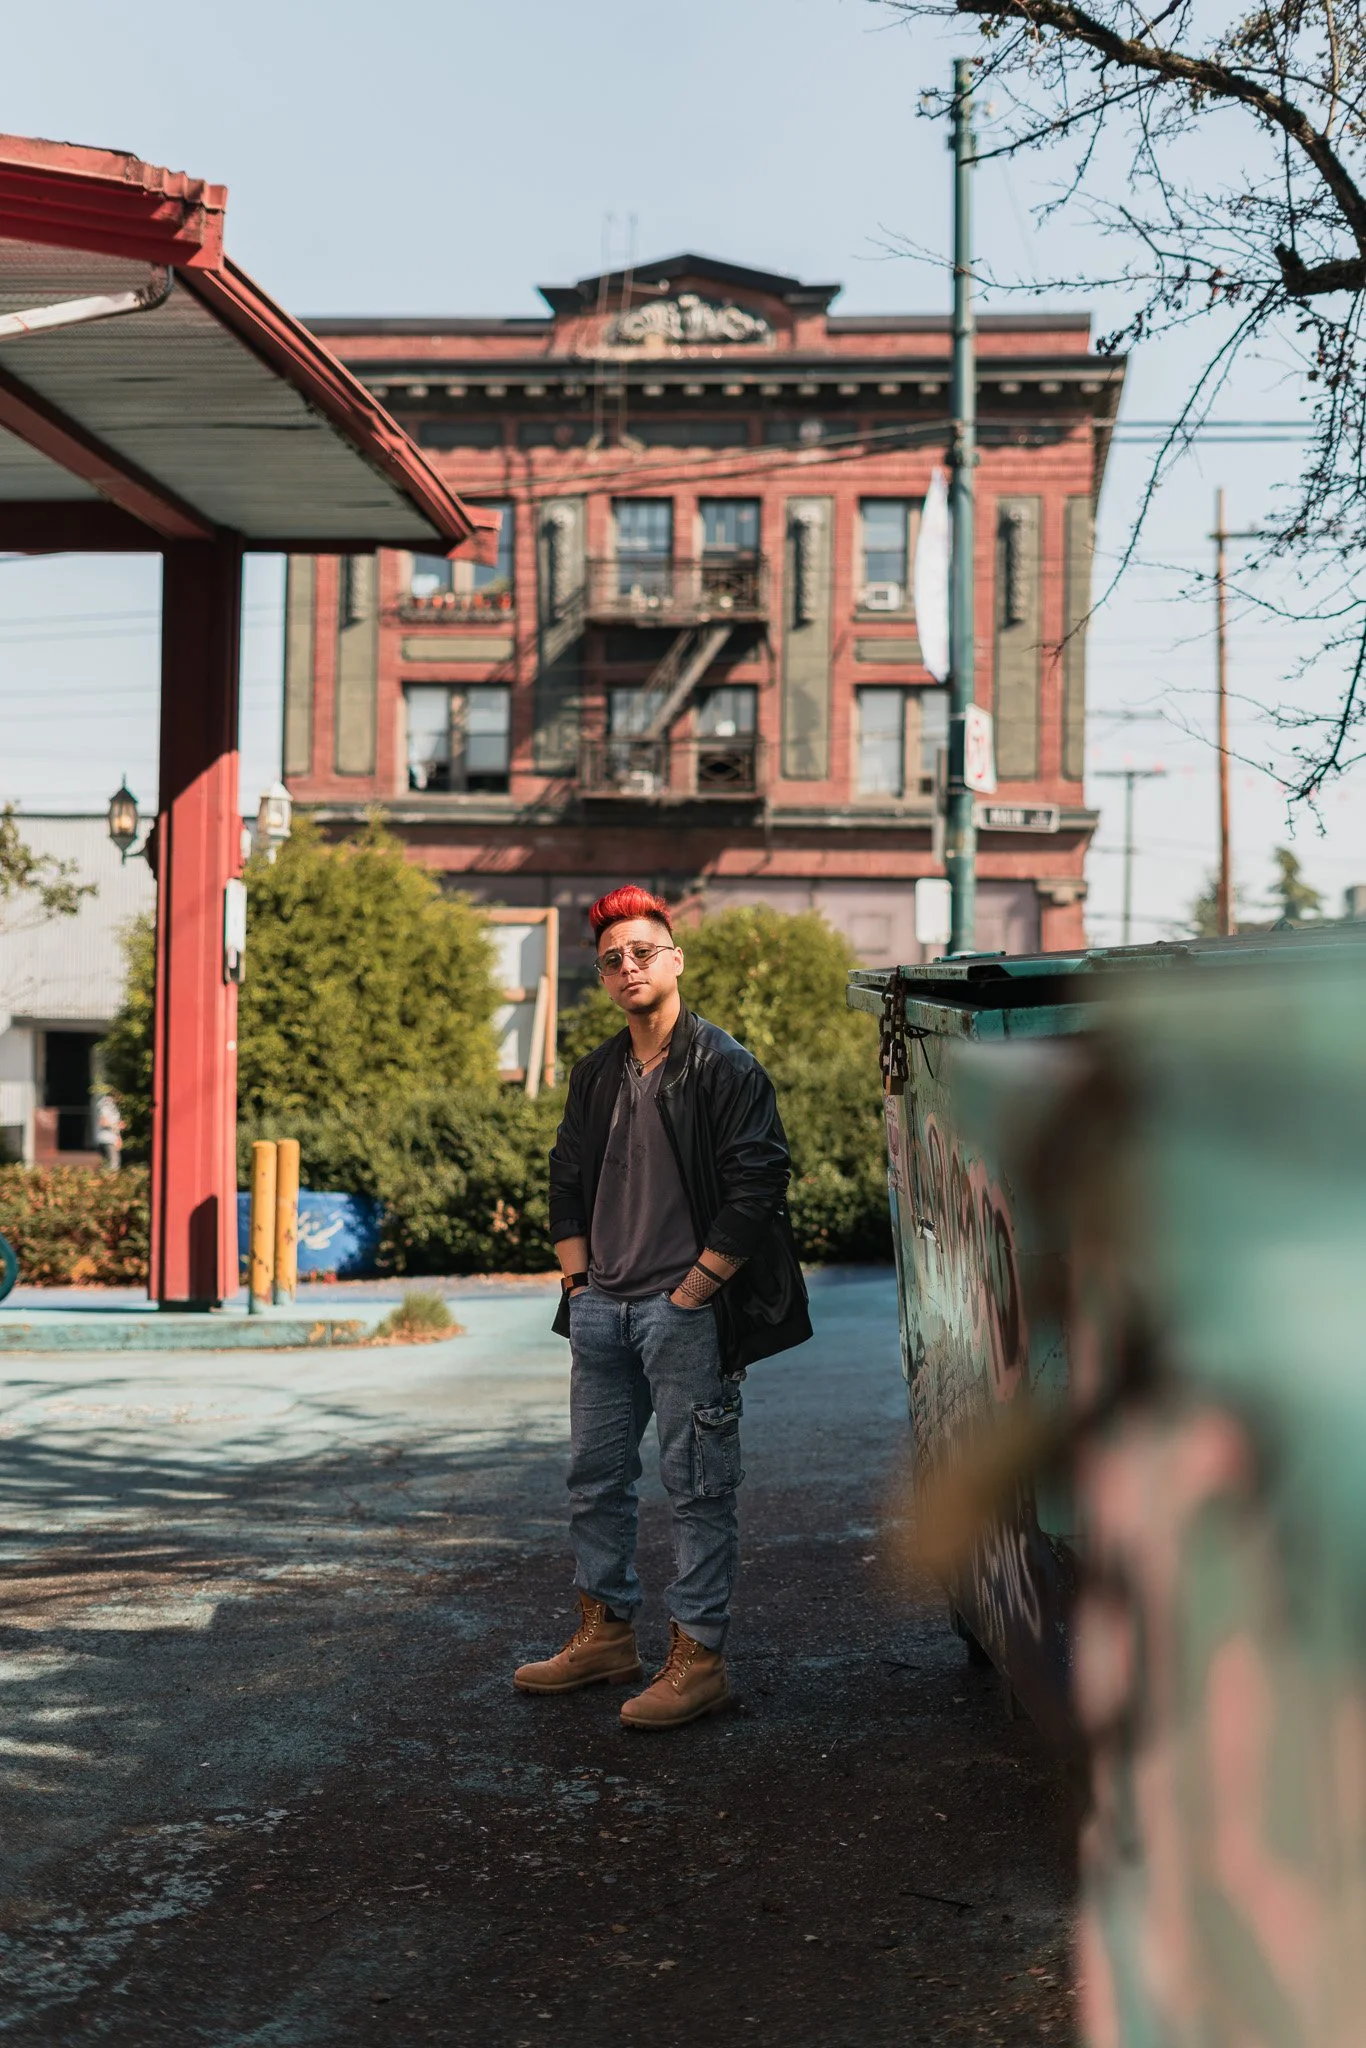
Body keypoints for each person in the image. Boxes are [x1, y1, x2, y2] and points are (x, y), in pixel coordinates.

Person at [514, 885, 811, 1729]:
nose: (628, 967)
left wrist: (694, 1292)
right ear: (601, 977)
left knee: (697, 1486)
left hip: (682, 1312)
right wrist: (578, 1285)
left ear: (675, 957)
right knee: (594, 1482)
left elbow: (759, 1184)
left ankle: (699, 1658)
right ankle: (605, 1635)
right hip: (602, 1307)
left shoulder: (724, 1065)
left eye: (643, 951)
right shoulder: (597, 1070)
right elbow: (565, 1177)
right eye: (612, 959)